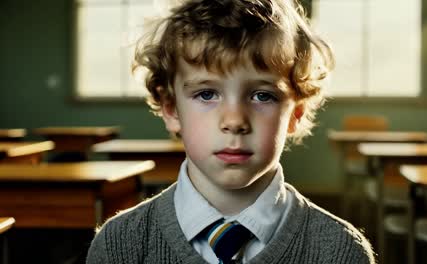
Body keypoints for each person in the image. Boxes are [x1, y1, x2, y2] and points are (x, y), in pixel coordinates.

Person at [87, 0, 375, 263]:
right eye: (207, 94)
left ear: (295, 115)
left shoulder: (341, 252)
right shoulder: (119, 246)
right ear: (172, 109)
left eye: (263, 96)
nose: (235, 120)